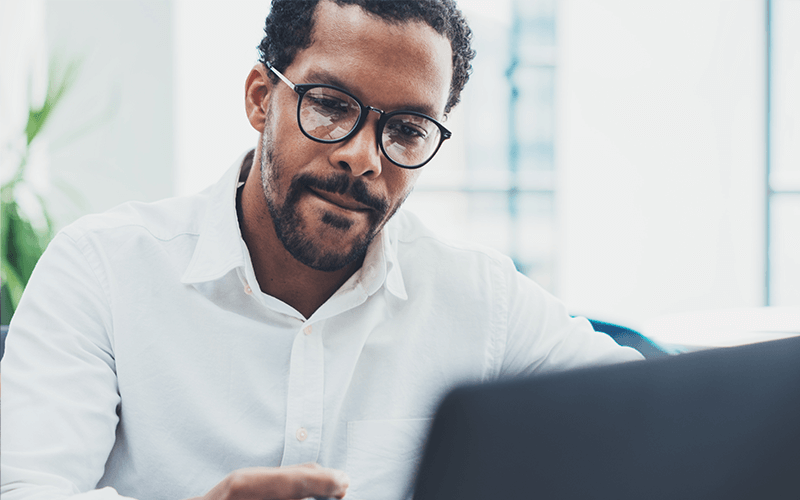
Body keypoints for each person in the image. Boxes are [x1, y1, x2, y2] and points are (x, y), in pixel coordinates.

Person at [0, 1, 642, 500]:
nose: (362, 157)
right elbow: (28, 490)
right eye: (331, 106)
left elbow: (653, 415)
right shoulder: (102, 270)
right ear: (260, 98)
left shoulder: (479, 298)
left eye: (407, 130)